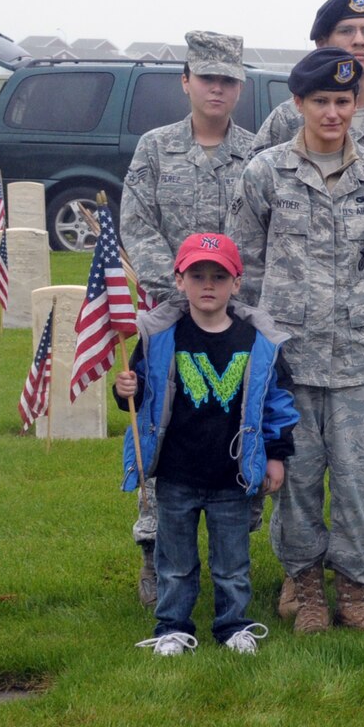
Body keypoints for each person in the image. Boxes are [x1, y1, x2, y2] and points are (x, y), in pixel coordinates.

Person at [227, 48, 364, 634]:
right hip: (291, 362)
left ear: (356, 104)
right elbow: (243, 266)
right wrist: (257, 346)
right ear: (298, 103)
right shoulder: (264, 174)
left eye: (343, 100)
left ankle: (355, 592)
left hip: (362, 361)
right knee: (297, 482)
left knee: (362, 481)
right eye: (321, 101)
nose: (333, 112)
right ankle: (306, 590)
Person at [118, 30, 256, 609]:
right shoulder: (155, 148)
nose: (217, 89)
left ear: (239, 86)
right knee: (162, 423)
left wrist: (231, 291)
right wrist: (175, 286)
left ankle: (233, 545)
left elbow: (261, 230)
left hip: (235, 315)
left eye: (228, 80)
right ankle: (155, 548)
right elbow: (136, 221)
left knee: (232, 418)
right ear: (187, 82)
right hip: (168, 312)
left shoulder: (256, 154)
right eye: (207, 79)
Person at [115, 232, 298, 657]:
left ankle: (233, 626)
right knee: (174, 562)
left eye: (219, 275)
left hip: (230, 475)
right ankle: (172, 628)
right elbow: (143, 398)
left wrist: (276, 455)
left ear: (237, 282)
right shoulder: (161, 337)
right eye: (197, 275)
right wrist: (128, 387)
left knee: (232, 564)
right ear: (179, 281)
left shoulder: (258, 343)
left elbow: (277, 403)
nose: (208, 285)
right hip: (176, 473)